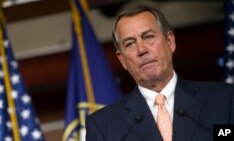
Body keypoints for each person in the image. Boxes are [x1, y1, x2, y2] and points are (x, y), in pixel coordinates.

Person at [85, 5, 234, 141]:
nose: (141, 50)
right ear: (122, 59)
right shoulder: (102, 126)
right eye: (130, 44)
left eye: (148, 37)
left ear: (170, 42)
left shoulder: (224, 100)